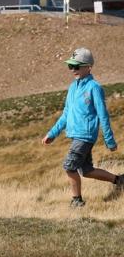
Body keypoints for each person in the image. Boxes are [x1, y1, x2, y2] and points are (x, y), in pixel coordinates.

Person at [41, 47, 123, 207]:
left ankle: (77, 201)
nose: (73, 70)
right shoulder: (73, 88)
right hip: (76, 135)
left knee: (69, 166)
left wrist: (109, 140)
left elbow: (103, 115)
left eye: (77, 66)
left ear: (88, 67)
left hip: (85, 135)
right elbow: (66, 114)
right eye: (71, 66)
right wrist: (52, 133)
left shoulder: (94, 88)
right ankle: (119, 180)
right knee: (86, 171)